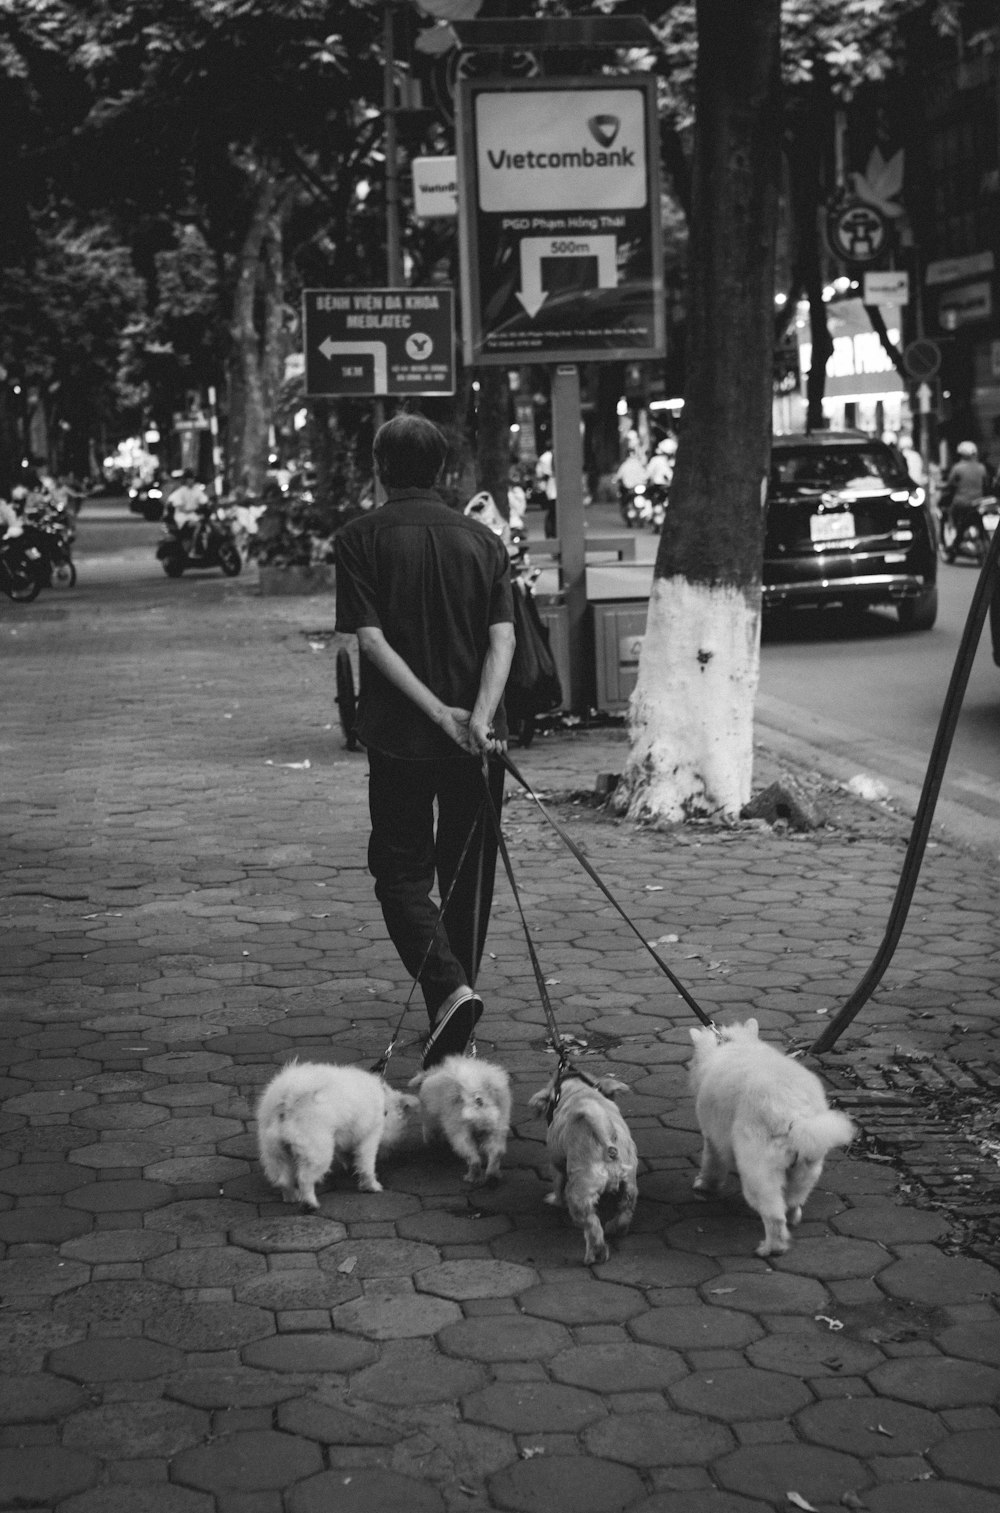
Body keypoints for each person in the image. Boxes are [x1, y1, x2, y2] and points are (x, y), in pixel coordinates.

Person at [335, 414, 516, 1069]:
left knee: (400, 875)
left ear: (379, 467)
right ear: (443, 470)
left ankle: (449, 992)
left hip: (399, 737)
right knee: (465, 878)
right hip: (476, 742)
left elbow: (372, 641)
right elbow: (504, 639)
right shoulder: (483, 541)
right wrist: (478, 717)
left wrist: (439, 710)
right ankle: (455, 1015)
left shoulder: (359, 537)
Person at [941, 440, 990, 554]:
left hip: (961, 503)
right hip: (978, 503)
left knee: (950, 516)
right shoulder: (981, 468)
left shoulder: (958, 468)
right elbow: (986, 484)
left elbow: (949, 484)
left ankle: (951, 540)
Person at [167, 470, 210, 550]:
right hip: (183, 517)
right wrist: (193, 509)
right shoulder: (180, 492)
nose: (191, 481)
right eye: (189, 479)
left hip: (194, 516)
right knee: (196, 525)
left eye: (192, 478)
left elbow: (204, 500)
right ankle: (193, 547)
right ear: (185, 480)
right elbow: (180, 507)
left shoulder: (197, 490)